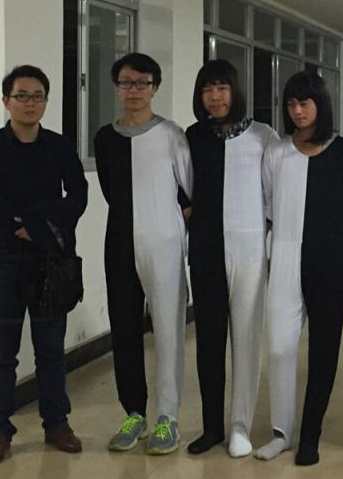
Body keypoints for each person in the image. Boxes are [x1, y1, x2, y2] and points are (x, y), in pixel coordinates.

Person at [0, 65, 88, 465]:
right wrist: (30, 224)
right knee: (2, 350)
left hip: (49, 261)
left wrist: (36, 228)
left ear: (46, 101)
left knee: (51, 348)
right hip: (7, 259)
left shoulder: (59, 147)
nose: (30, 103)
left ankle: (57, 424)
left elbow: (78, 195)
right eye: (21, 95)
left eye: (37, 96)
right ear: (6, 101)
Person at [93, 53, 193, 455]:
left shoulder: (172, 134)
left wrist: (171, 226)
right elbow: (110, 190)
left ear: (155, 87)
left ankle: (168, 417)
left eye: (142, 83)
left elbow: (188, 191)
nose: (133, 90)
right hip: (119, 242)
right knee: (124, 330)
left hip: (164, 243)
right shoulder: (105, 138)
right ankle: (134, 412)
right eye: (126, 82)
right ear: (116, 87)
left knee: (168, 329)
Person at [255, 70, 343, 466]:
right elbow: (267, 205)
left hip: (330, 261)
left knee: (324, 351)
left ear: (320, 104)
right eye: (292, 104)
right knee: (280, 347)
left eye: (305, 103)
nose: (298, 111)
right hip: (285, 256)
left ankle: (311, 433)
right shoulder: (277, 153)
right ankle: (282, 431)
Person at [185, 59, 279, 457]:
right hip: (205, 250)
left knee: (245, 337)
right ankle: (212, 427)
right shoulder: (193, 136)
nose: (215, 96)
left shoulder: (263, 136)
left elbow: (275, 194)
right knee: (208, 340)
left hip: (249, 249)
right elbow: (182, 187)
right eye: (207, 89)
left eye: (222, 87)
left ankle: (240, 425)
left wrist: (265, 235)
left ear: (235, 91)